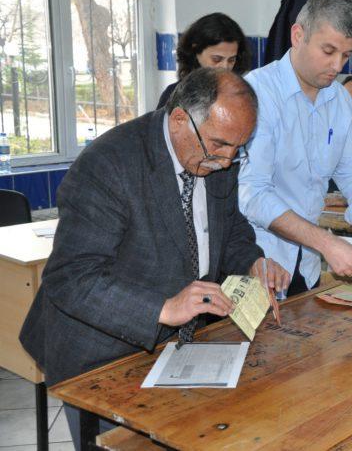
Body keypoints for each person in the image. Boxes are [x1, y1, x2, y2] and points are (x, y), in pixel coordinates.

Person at [19, 68, 290, 449]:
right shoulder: (109, 164)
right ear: (179, 118)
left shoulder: (214, 153)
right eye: (219, 146)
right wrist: (163, 308)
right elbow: (71, 278)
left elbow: (229, 227)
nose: (228, 161)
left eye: (237, 148)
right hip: (97, 350)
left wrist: (252, 262)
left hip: (171, 349)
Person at [238, 0, 352, 295]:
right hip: (257, 261)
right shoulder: (257, 94)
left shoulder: (339, 101)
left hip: (305, 266)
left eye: (346, 55)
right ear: (298, 35)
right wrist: (325, 242)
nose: (337, 65)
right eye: (328, 50)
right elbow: (253, 193)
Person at [156, 12, 251, 109]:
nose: (225, 67)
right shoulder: (174, 95)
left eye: (231, 60)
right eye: (216, 59)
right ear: (195, 50)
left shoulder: (240, 95)